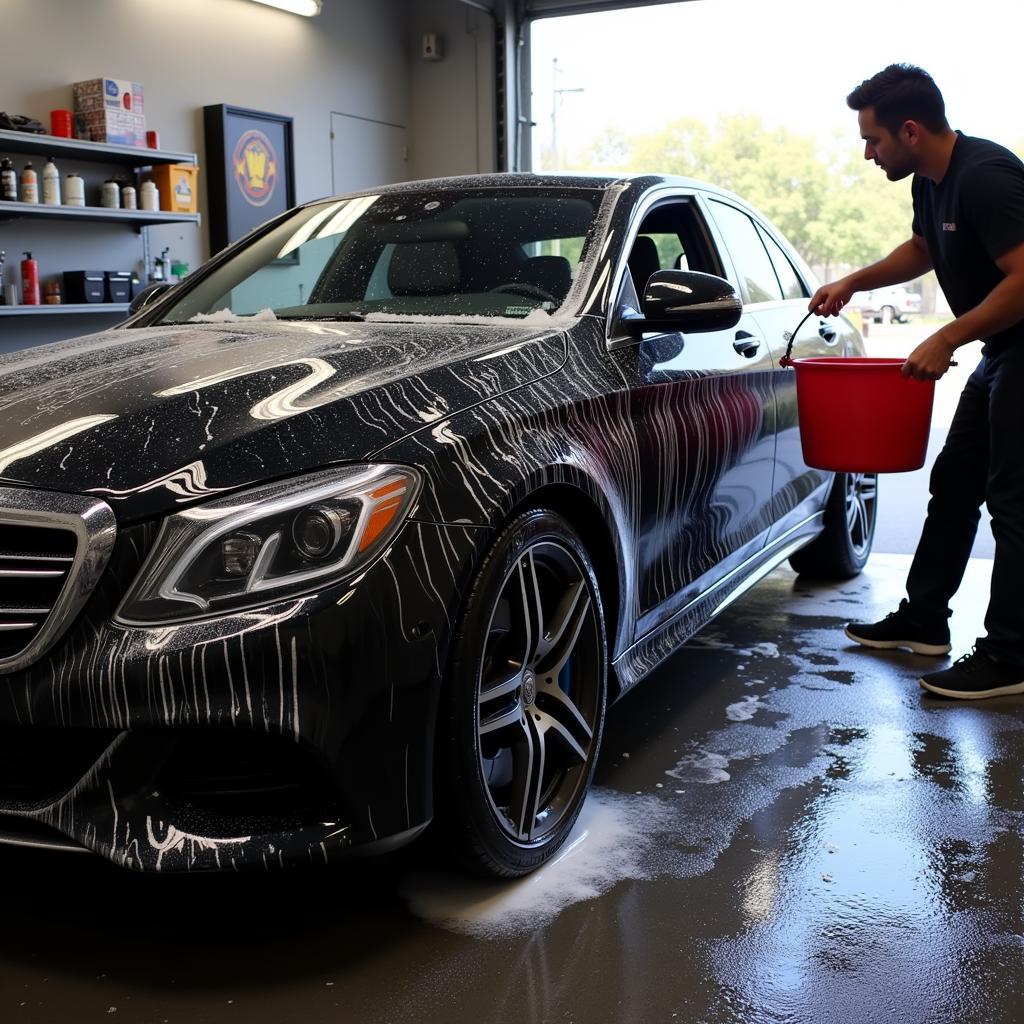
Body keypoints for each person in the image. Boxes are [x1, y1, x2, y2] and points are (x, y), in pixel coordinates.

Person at [808, 64, 1024, 700]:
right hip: (1002, 350)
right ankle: (925, 620)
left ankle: (1011, 656)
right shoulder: (932, 183)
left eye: (873, 141)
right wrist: (853, 281)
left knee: (1014, 504)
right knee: (954, 485)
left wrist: (945, 334)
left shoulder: (985, 176)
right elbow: (922, 250)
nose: (869, 154)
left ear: (909, 130)